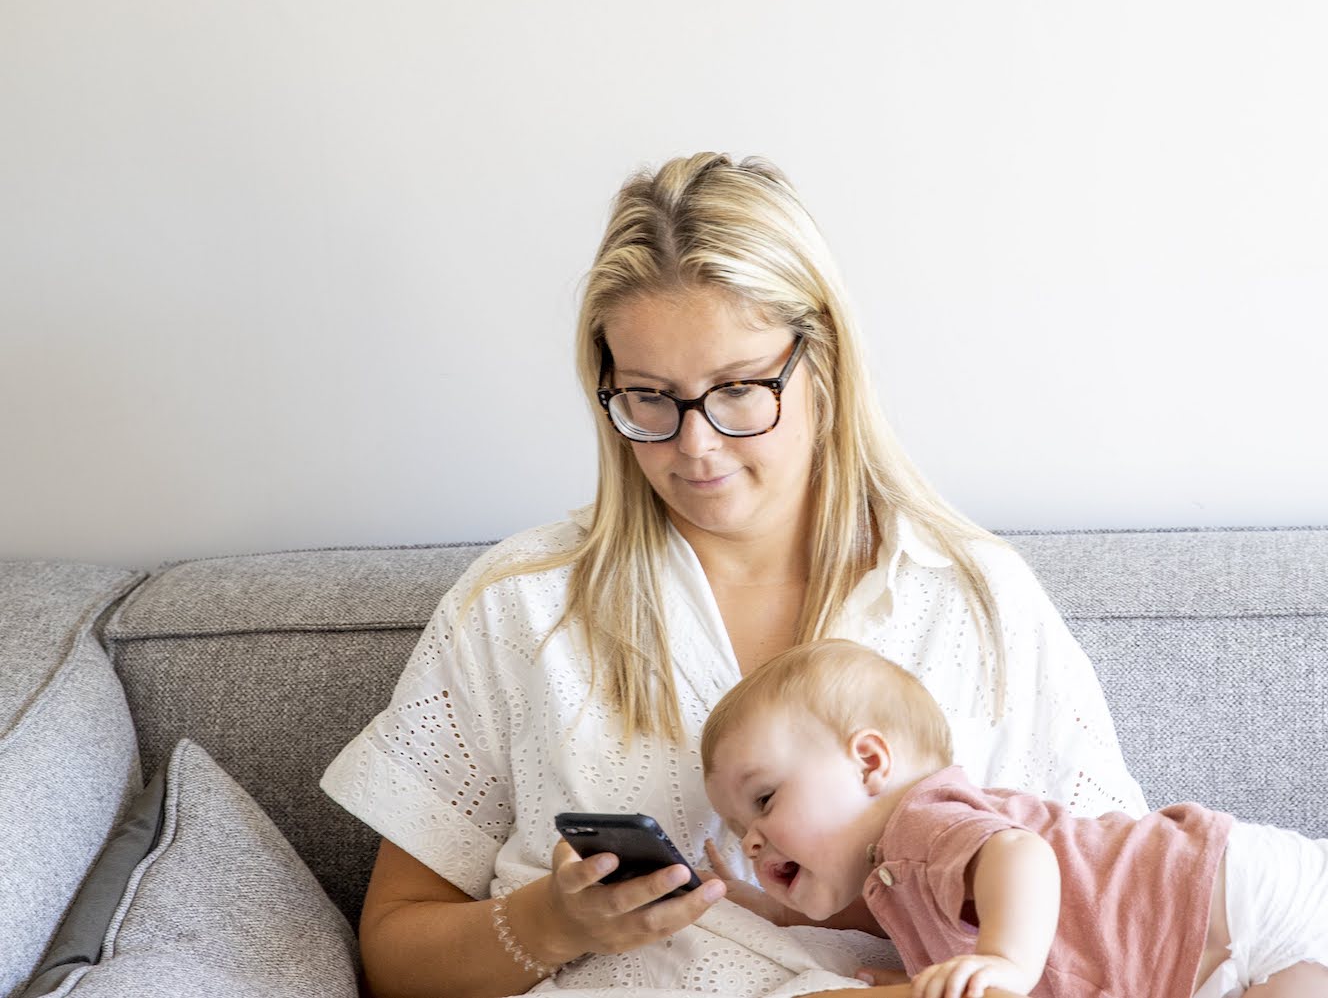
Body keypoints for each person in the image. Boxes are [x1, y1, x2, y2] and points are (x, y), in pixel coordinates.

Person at [320, 152, 1149, 998]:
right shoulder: (522, 604)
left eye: (739, 389)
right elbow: (391, 957)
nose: (695, 445)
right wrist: (553, 922)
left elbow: (1121, 918)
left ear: (822, 362)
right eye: (649, 396)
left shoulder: (972, 599)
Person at [701, 638, 1328, 998]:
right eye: (741, 828)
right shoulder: (897, 880)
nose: (753, 835)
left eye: (764, 799)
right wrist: (764, 904)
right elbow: (855, 917)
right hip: (1230, 945)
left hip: (1273, 905)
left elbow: (1022, 855)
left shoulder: (922, 822)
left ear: (868, 762)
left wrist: (1003, 965)